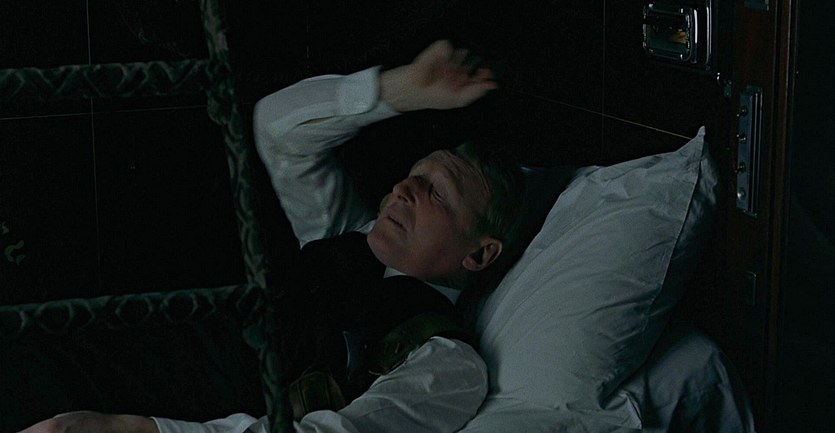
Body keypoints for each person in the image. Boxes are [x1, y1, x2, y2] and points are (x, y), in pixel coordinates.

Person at [19, 39, 525, 433]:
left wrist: (136, 429)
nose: (404, 189)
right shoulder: (346, 234)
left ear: (480, 254)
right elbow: (279, 131)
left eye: (438, 193)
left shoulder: (448, 363)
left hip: (141, 414)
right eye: (414, 175)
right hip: (103, 358)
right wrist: (400, 90)